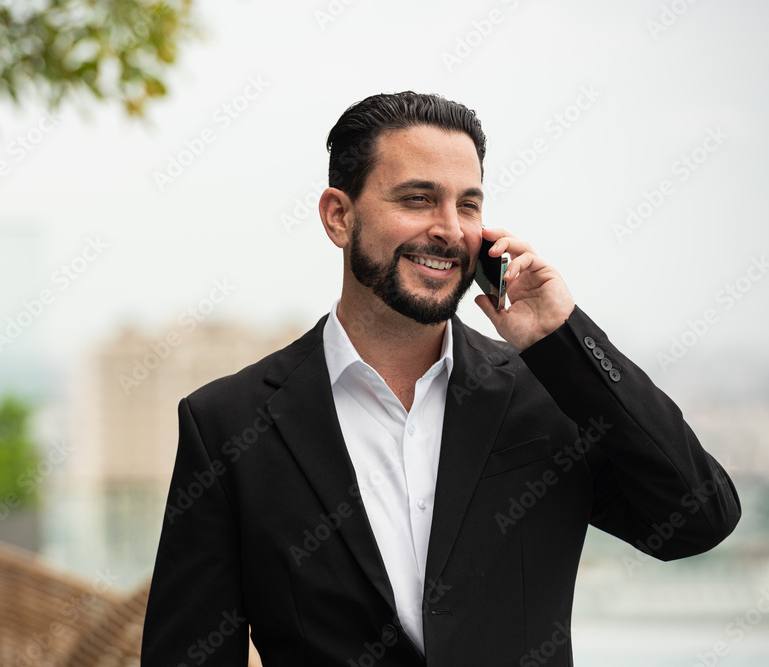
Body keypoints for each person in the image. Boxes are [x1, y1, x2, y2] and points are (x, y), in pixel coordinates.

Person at [140, 92, 741, 666]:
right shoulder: (228, 424)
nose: (451, 229)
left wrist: (563, 338)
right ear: (339, 216)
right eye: (418, 199)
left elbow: (698, 519)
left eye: (468, 205)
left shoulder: (552, 396)